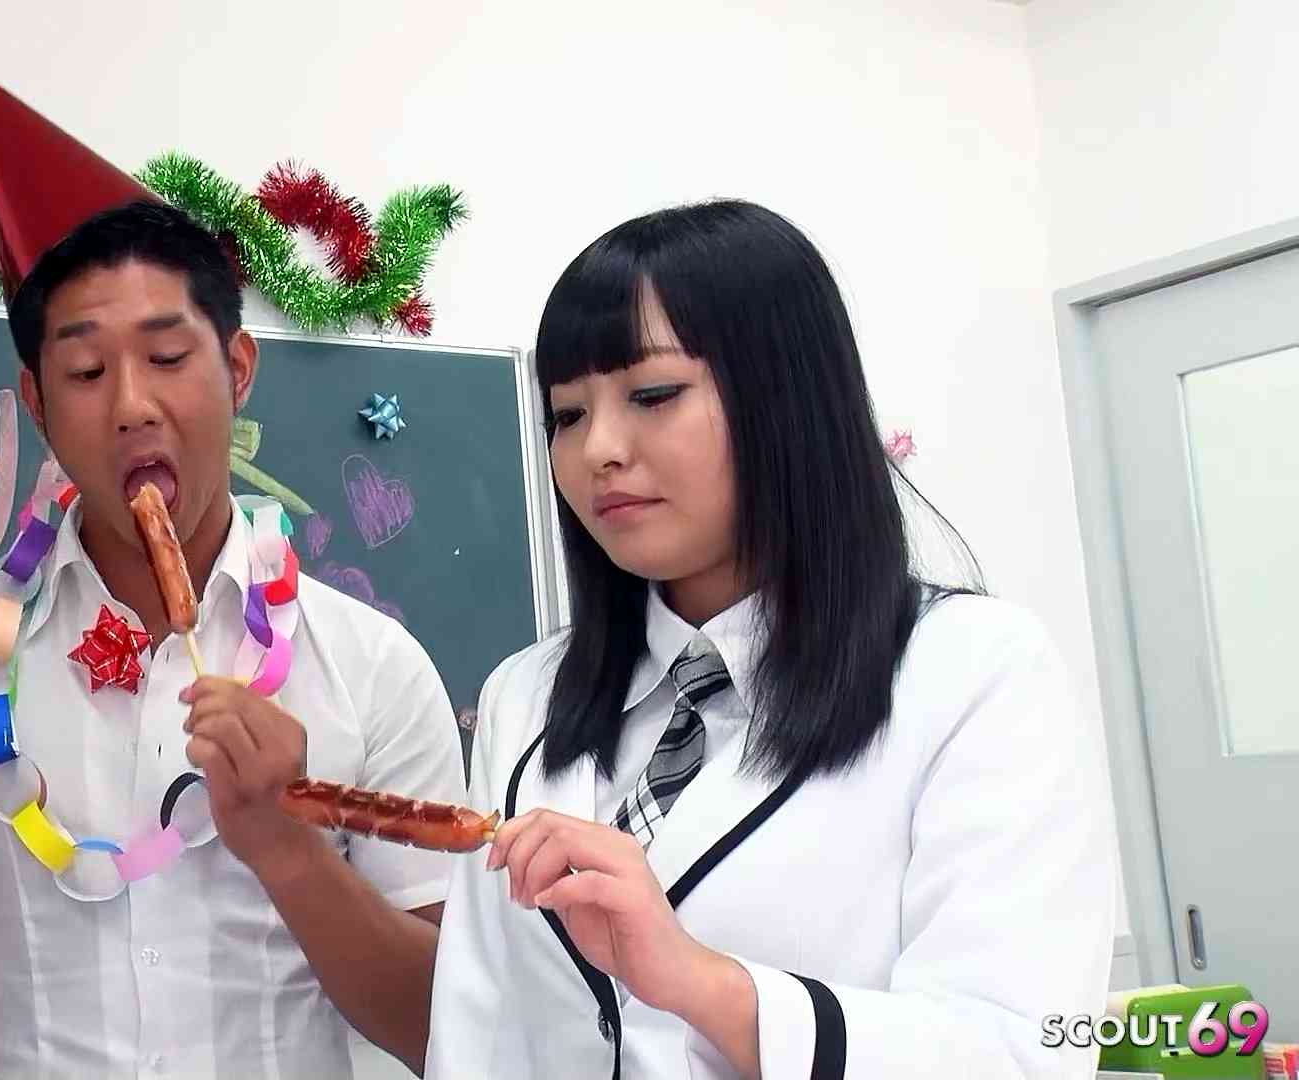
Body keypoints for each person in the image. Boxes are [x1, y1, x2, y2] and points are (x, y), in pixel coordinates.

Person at [0, 66, 467, 1079]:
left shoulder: (372, 668)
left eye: (167, 359)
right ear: (36, 402)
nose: (130, 406)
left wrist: (285, 844)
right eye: (85, 372)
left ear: (237, 369)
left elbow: (442, 1029)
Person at [426, 200, 1117, 1079]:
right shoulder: (524, 696)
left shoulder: (972, 672)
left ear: (788, 399)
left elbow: (1018, 1052)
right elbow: (476, 1034)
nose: (597, 449)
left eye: (652, 396)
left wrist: (701, 983)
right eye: (565, 414)